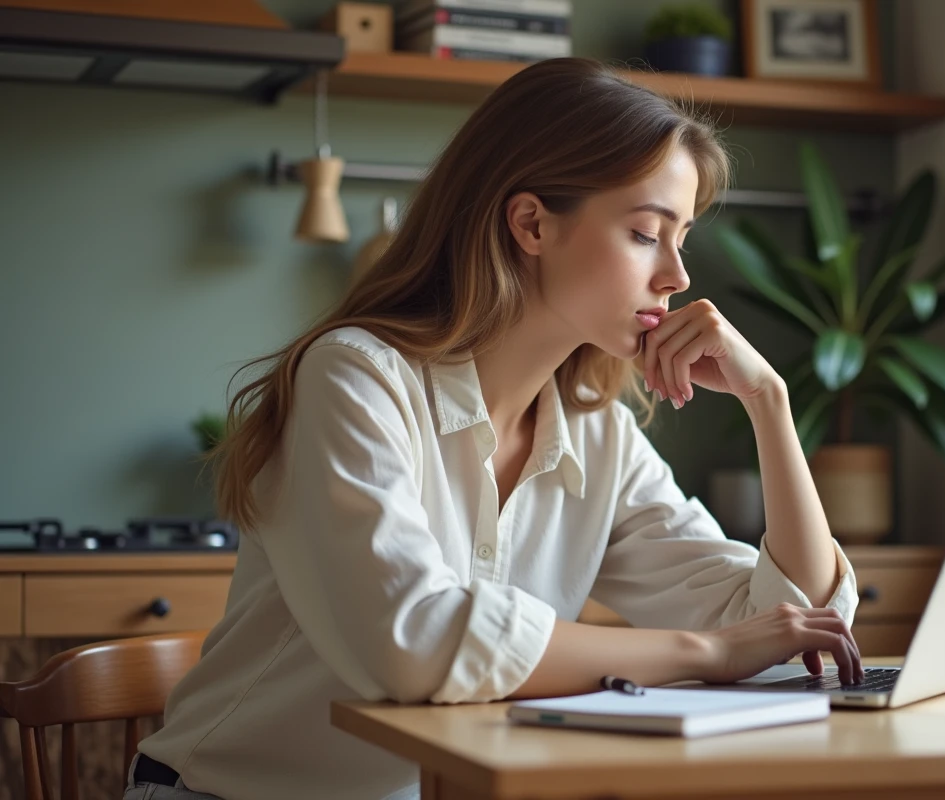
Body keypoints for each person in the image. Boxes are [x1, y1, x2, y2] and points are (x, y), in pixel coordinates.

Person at [124, 57, 863, 800]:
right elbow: (410, 643)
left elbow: (783, 635)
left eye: (682, 239)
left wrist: (769, 401)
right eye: (646, 233)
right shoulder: (355, 378)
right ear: (531, 224)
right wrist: (706, 650)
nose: (677, 276)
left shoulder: (597, 433)